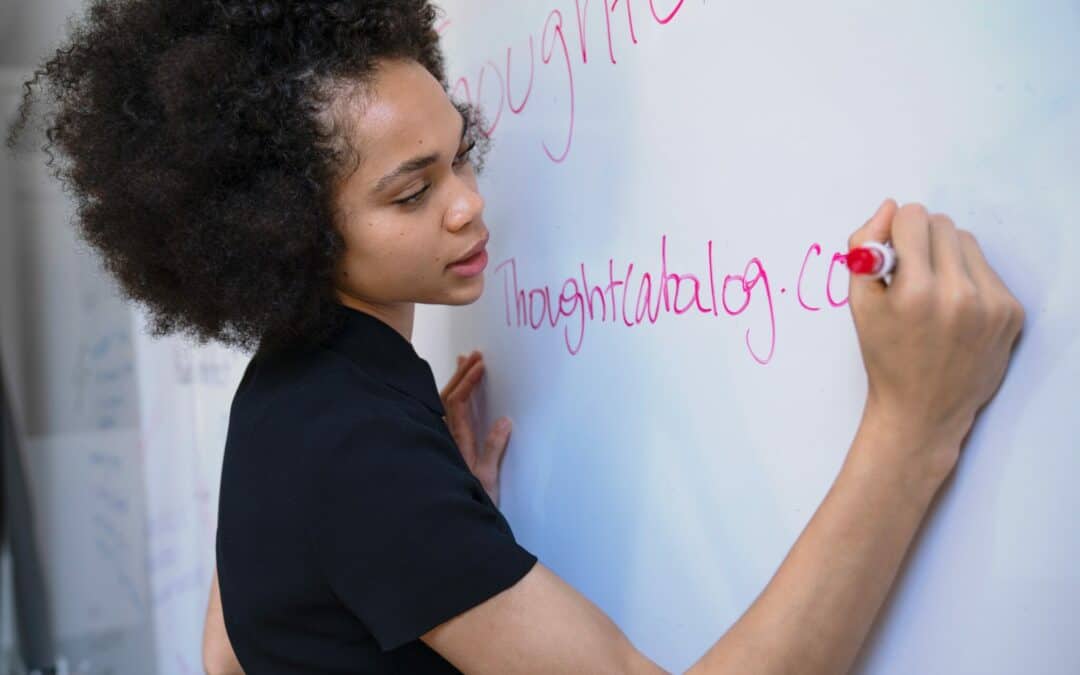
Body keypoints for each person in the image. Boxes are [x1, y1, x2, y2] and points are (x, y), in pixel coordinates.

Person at [6, 1, 1024, 673]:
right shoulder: (354, 445)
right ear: (278, 232)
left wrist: (419, 557)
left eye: (460, 156)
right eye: (413, 191)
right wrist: (913, 423)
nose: (469, 205)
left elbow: (228, 654)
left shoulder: (294, 391)